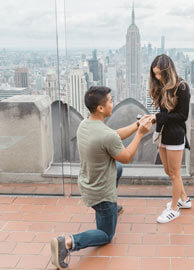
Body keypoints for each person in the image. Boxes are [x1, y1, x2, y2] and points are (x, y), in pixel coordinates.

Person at [50, 86, 152, 270]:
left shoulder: (86, 124)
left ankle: (110, 210)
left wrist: (137, 124)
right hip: (101, 193)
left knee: (117, 168)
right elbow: (127, 156)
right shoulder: (105, 135)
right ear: (101, 108)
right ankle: (66, 242)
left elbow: (114, 136)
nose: (113, 103)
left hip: (88, 182)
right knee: (106, 235)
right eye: (110, 101)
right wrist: (141, 133)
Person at [149, 54, 192, 224]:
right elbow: (163, 113)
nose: (157, 77)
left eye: (160, 73)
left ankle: (174, 209)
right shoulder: (160, 86)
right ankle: (184, 199)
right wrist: (154, 118)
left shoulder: (181, 87)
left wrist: (158, 117)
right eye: (155, 74)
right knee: (168, 171)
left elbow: (183, 115)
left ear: (168, 71)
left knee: (174, 174)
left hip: (174, 135)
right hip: (162, 134)